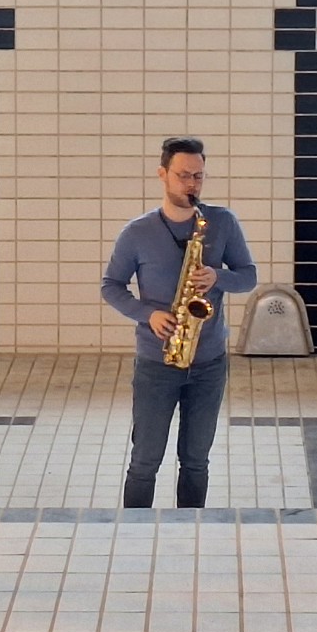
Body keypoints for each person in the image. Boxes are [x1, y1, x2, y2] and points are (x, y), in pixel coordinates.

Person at [101, 136, 258, 508]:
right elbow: (110, 286)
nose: (191, 185)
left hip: (209, 362)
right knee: (145, 461)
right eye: (183, 175)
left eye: (198, 177)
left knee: (196, 462)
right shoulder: (137, 232)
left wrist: (217, 276)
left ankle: (192, 533)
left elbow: (249, 276)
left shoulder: (221, 222)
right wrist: (148, 314)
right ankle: (133, 537)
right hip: (157, 362)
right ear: (163, 174)